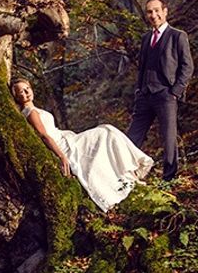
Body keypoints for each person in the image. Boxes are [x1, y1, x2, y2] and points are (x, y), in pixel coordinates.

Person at [12, 79, 154, 212]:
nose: (26, 93)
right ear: (17, 97)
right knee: (105, 132)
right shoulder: (30, 113)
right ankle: (128, 172)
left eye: (27, 89)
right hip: (63, 145)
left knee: (107, 132)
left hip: (66, 138)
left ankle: (128, 172)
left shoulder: (34, 109)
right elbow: (43, 135)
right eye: (21, 92)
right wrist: (61, 156)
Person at [127, 0, 194, 181]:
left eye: (157, 10)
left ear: (165, 11)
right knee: (132, 137)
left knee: (169, 139)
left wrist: (175, 92)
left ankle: (169, 179)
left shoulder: (177, 36)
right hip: (145, 96)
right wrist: (139, 91)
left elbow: (188, 67)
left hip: (166, 95)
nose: (153, 15)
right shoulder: (146, 38)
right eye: (149, 11)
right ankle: (124, 173)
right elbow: (142, 67)